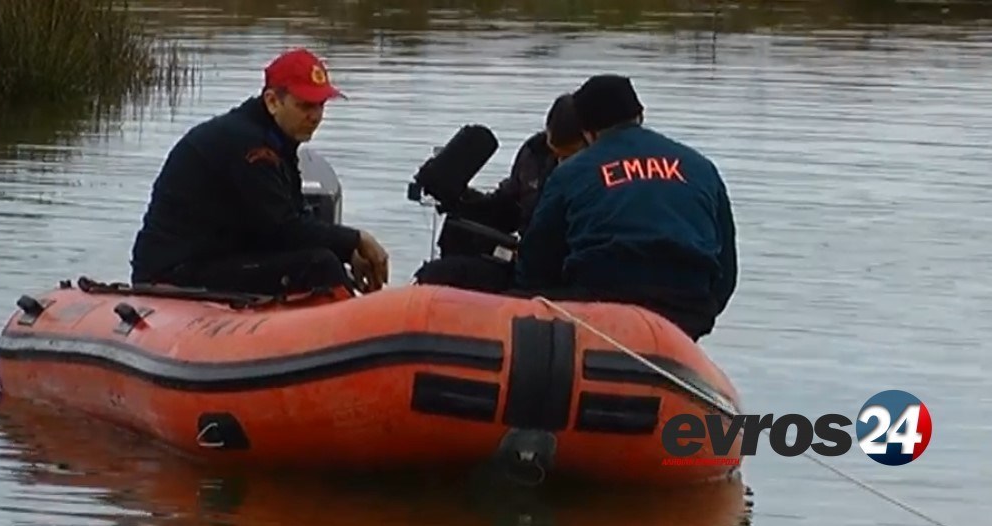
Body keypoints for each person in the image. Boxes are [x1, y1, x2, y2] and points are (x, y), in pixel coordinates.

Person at [129, 48, 389, 296]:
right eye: (305, 106)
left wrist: (347, 252)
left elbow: (290, 217)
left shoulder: (274, 140)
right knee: (318, 265)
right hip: (175, 271)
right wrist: (355, 240)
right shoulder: (250, 147)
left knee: (322, 258)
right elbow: (283, 230)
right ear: (273, 101)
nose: (316, 116)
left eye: (320, 105)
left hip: (215, 255)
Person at [512, 74, 738, 341]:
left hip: (601, 304)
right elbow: (726, 272)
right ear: (640, 115)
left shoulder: (572, 171)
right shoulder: (701, 167)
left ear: (587, 131)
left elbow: (535, 264)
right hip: (687, 309)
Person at [412, 93, 586, 291]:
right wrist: (461, 199)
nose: (560, 162)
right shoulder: (534, 154)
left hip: (566, 267)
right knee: (446, 257)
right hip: (525, 259)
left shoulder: (599, 173)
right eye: (556, 153)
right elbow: (508, 207)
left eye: (569, 156)